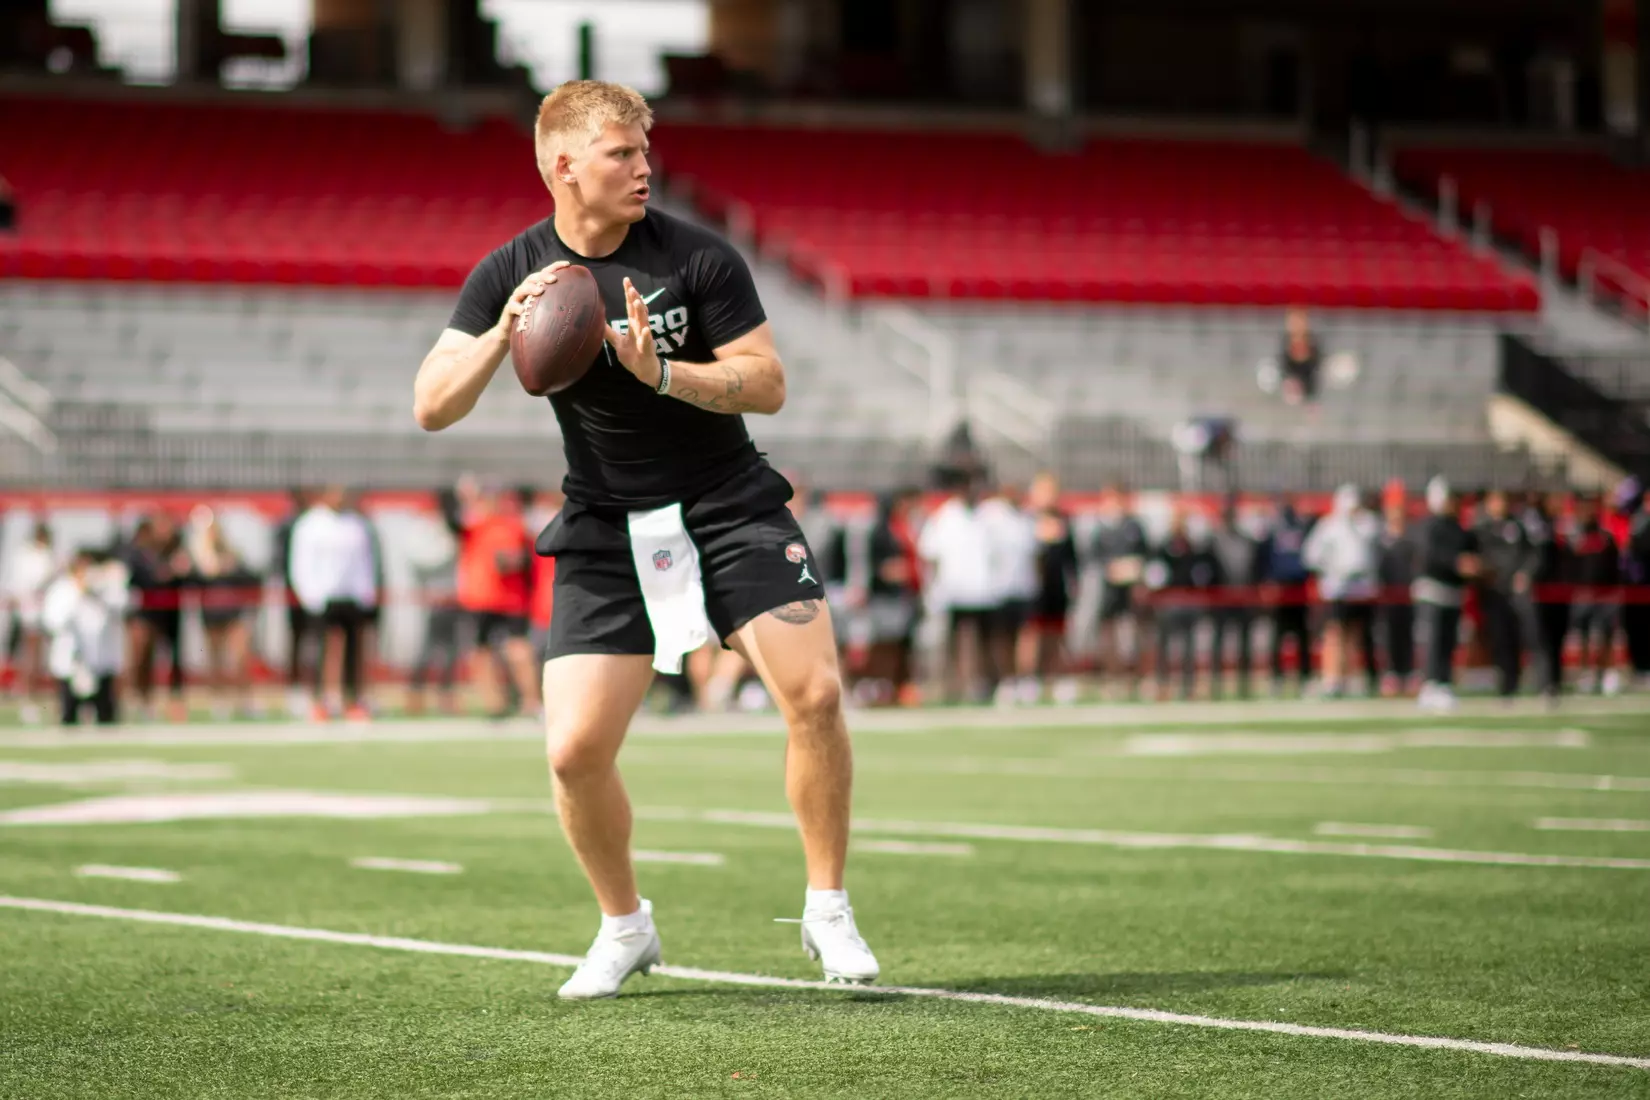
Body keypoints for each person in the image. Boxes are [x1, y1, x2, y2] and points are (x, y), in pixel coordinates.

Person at [413, 80, 876, 997]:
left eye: (643, 149)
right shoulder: (511, 270)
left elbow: (767, 383)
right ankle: (625, 926)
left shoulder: (699, 257)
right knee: (573, 751)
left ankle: (828, 908)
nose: (643, 167)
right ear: (563, 165)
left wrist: (660, 371)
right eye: (621, 153)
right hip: (605, 522)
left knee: (816, 694)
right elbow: (432, 405)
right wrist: (501, 335)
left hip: (729, 503)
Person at [445, 477, 540, 720]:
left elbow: (530, 558)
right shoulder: (475, 523)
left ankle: (531, 702)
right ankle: (494, 704)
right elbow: (452, 519)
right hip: (480, 599)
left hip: (510, 600)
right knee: (480, 653)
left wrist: (515, 561)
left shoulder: (514, 525)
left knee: (517, 650)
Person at [288, 486, 378, 721]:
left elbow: (363, 562)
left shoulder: (355, 524)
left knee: (353, 651)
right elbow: (301, 563)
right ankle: (321, 701)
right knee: (320, 651)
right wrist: (310, 594)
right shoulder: (310, 524)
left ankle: (353, 700)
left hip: (350, 595)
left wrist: (365, 592)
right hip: (322, 596)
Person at [919, 470, 999, 704]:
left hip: (983, 591)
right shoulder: (946, 516)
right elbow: (930, 554)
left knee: (984, 641)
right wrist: (934, 588)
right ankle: (953, 685)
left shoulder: (987, 516)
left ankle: (980, 683)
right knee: (955, 642)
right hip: (954, 590)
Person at [1303, 485, 1380, 698]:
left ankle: (1352, 677)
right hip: (1337, 588)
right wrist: (1333, 570)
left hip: (1361, 589)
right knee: (1335, 634)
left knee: (1355, 635)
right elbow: (1311, 555)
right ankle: (1333, 679)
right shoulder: (1329, 526)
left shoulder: (1368, 524)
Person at [41, 547, 129, 726]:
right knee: (69, 717)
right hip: (71, 663)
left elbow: (121, 604)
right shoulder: (62, 589)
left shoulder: (104, 587)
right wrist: (77, 593)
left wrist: (97, 590)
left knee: (106, 717)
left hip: (100, 663)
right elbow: (52, 621)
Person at [1413, 477, 1480, 712]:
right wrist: (1456, 563)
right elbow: (1429, 556)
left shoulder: (1459, 528)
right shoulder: (1430, 526)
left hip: (1453, 592)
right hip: (1433, 591)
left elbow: (1472, 552)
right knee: (1434, 640)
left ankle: (1443, 681)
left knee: (1449, 641)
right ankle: (1431, 684)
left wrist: (1473, 564)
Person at [186, 506, 259, 718]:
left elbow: (249, 576)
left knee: (240, 657)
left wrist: (229, 566)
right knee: (214, 659)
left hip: (233, 613)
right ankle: (219, 701)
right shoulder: (197, 555)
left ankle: (246, 700)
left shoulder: (231, 553)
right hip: (211, 614)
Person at [1015, 473, 1078, 705]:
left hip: (1056, 587)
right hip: (1031, 588)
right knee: (1031, 635)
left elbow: (1071, 558)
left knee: (1056, 635)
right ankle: (1027, 679)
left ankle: (1056, 679)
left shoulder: (1064, 520)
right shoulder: (1026, 519)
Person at [1146, 509, 1222, 700]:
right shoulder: (1162, 547)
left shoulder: (1193, 547)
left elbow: (1203, 572)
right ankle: (1163, 685)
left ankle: (1188, 685)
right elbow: (1155, 573)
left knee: (1188, 646)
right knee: (1164, 646)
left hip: (1188, 602)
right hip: (1168, 602)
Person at [121, 513, 189, 721]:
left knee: (171, 658)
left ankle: (168, 702)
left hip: (166, 614)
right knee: (141, 658)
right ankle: (140, 699)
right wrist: (168, 571)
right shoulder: (137, 553)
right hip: (143, 614)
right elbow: (145, 577)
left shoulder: (172, 550)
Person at [1473, 490, 1533, 700]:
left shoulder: (1516, 526)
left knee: (1515, 636)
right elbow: (1475, 557)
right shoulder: (1481, 529)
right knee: (1498, 637)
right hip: (1492, 592)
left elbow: (1529, 554)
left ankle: (1514, 679)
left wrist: (1524, 574)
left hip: (1514, 592)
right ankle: (1504, 681)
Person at [1090, 484, 1148, 700]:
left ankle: (1132, 676)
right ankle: (1111, 676)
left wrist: (1134, 569)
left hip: (1131, 590)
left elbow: (1145, 553)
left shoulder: (1134, 526)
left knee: (1133, 634)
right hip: (1109, 589)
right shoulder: (1101, 527)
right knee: (1109, 634)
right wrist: (1112, 568)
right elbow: (1094, 557)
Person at [1, 520, 58, 723]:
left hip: (46, 613)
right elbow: (22, 587)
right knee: (31, 657)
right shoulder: (25, 557)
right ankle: (27, 699)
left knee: (44, 658)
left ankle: (35, 698)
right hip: (30, 612)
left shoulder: (46, 555)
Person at [1567, 494, 1622, 695]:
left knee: (1605, 636)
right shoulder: (1574, 539)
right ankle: (1585, 675)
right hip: (1582, 594)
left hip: (1606, 594)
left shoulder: (1606, 538)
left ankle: (1605, 673)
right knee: (1582, 636)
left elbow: (1615, 566)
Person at [1259, 496, 1313, 696]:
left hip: (1297, 587)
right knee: (1279, 635)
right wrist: (1268, 581)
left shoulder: (1300, 527)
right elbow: (1265, 556)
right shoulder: (1274, 529)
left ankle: (1304, 675)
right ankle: (1277, 676)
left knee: (1301, 634)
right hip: (1281, 588)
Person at [1208, 500, 1261, 699]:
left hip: (1242, 596)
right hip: (1221, 598)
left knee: (1244, 641)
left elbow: (1252, 568)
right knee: (1219, 640)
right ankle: (1216, 681)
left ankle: (1244, 681)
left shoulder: (1246, 541)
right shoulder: (1214, 541)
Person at [1523, 492, 1571, 703]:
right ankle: (1545, 683)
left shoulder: (1558, 525)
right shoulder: (1534, 523)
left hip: (1559, 591)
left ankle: (1554, 682)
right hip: (1542, 592)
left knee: (1555, 639)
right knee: (1543, 639)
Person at [1376, 495, 1419, 696]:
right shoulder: (1382, 541)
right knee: (1389, 636)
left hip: (1408, 596)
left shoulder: (1411, 540)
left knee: (1408, 636)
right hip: (1388, 597)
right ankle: (1392, 674)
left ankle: (1408, 673)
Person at [1278, 307, 1321, 407]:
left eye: (1299, 320)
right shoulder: (1283, 346)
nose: (1296, 325)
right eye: (1292, 321)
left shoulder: (1315, 346)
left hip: (1311, 395)